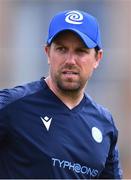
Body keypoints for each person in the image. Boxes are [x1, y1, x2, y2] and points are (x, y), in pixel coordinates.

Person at [0, 10, 123, 179]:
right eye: (62, 49)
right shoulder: (12, 105)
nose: (70, 60)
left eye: (81, 51)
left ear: (97, 58)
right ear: (48, 53)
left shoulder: (104, 124)